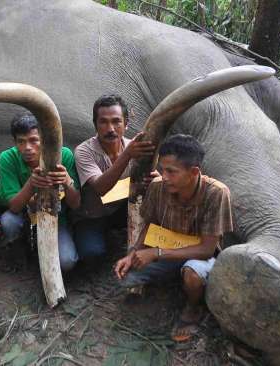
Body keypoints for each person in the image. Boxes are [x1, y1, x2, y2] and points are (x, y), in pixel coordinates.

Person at [114, 134, 233, 342]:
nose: (164, 176)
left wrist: (156, 253)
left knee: (192, 274)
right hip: (167, 251)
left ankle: (193, 306)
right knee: (127, 277)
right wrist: (133, 253)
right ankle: (174, 280)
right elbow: (149, 225)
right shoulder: (158, 186)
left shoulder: (217, 193)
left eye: (172, 171)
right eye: (162, 169)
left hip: (199, 257)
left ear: (194, 172)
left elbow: (206, 249)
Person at [73, 94, 156, 261]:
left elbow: (152, 178)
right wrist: (127, 155)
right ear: (95, 125)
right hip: (92, 215)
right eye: (103, 122)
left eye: (116, 121)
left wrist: (155, 179)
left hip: (122, 209)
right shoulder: (84, 151)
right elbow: (100, 188)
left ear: (126, 124)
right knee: (91, 253)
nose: (110, 128)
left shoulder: (135, 147)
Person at [0, 113, 82, 272]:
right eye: (21, 142)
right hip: (25, 215)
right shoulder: (7, 158)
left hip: (56, 217)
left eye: (34, 140)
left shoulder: (64, 155)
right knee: (9, 221)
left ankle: (60, 238)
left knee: (67, 262)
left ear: (45, 139)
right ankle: (20, 248)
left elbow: (76, 204)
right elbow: (14, 207)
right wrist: (31, 183)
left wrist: (67, 181)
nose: (27, 147)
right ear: (14, 142)